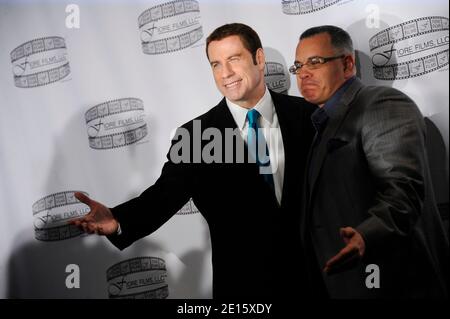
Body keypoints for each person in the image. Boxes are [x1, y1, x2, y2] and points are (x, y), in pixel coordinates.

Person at [72, 23, 316, 298]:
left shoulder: (309, 117)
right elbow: (162, 196)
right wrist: (117, 220)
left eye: (234, 59)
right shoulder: (195, 137)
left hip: (314, 282)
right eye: (216, 64)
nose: (226, 73)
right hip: (243, 290)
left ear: (259, 59)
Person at [289, 25, 449, 298]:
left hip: (393, 284)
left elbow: (402, 190)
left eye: (315, 62)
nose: (303, 73)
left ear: (348, 64)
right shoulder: (321, 125)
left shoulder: (380, 104)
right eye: (298, 66)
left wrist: (367, 235)